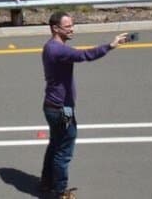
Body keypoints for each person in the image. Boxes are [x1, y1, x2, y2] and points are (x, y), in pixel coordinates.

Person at [39, 11, 128, 198]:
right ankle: (60, 192)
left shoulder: (50, 47)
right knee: (64, 149)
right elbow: (84, 55)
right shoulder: (58, 49)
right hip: (62, 109)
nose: (72, 29)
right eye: (68, 26)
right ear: (55, 28)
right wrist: (111, 46)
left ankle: (47, 183)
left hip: (54, 106)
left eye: (72, 25)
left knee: (55, 144)